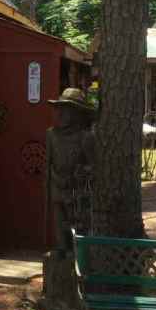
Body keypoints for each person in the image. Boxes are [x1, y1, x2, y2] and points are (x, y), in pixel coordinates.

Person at [45, 87, 95, 253]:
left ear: (77, 114)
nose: (61, 115)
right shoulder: (51, 135)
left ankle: (77, 256)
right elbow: (48, 164)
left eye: (67, 111)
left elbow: (94, 165)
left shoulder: (85, 137)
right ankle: (61, 253)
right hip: (57, 189)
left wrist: (84, 171)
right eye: (60, 110)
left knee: (78, 229)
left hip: (77, 193)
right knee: (59, 226)